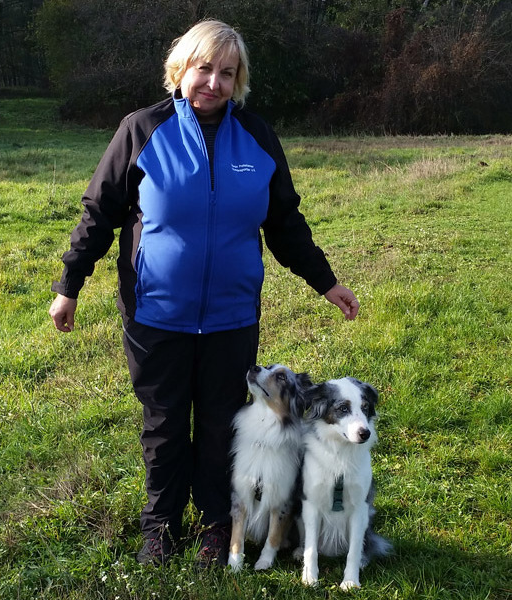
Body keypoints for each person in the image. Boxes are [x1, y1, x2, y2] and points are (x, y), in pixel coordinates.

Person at [49, 19, 359, 568]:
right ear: (181, 69)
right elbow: (99, 213)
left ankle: (218, 525)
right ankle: (160, 528)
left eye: (227, 73)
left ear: (238, 81)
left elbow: (284, 222)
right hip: (155, 315)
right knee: (164, 426)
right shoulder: (142, 130)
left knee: (221, 426)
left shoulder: (257, 138)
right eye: (204, 68)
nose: (214, 82)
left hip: (231, 317)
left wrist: (326, 281)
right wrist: (69, 285)